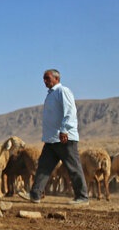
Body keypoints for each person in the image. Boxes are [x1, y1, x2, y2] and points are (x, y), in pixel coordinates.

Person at [19, 69, 88, 205]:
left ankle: (82, 197)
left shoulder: (62, 91)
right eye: (44, 79)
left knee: (73, 167)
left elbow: (71, 111)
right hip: (51, 139)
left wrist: (65, 129)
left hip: (64, 138)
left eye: (47, 78)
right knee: (43, 167)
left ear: (56, 79)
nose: (45, 81)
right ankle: (35, 194)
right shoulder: (50, 94)